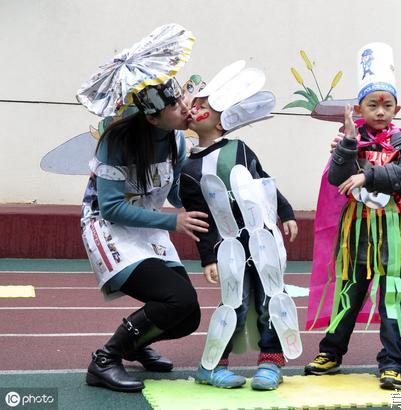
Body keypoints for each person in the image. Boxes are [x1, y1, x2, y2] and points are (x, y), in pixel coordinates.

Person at [80, 77, 210, 392]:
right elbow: (110, 208)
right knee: (176, 299)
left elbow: (178, 197)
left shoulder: (177, 140)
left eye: (182, 99)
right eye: (174, 106)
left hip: (150, 225)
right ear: (152, 116)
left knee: (188, 315)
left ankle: (134, 345)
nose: (185, 107)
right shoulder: (117, 141)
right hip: (109, 229)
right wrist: (173, 223)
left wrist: (204, 170)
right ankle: (105, 359)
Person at [304, 43, 401, 390]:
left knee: (392, 299)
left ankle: (392, 362)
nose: (381, 112)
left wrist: (368, 174)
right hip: (357, 236)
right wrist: (347, 147)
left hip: (395, 238)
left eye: (387, 106)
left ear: (397, 108)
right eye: (373, 105)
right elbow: (337, 178)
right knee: (348, 293)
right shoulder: (349, 140)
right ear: (358, 108)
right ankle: (331, 351)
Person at [179, 64, 299, 391]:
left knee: (271, 298)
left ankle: (270, 363)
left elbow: (264, 184)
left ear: (221, 120)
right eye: (196, 105)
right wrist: (208, 258)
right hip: (227, 247)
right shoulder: (188, 168)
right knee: (235, 303)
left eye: (204, 106)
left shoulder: (239, 149)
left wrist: (286, 213)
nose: (196, 109)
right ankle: (213, 365)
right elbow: (198, 216)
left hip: (262, 240)